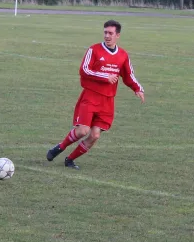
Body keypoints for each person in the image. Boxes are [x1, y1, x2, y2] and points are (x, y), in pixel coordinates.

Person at [46, 20, 145, 169]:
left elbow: (128, 74)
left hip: (107, 101)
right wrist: (104, 77)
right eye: (105, 32)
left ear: (117, 35)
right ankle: (59, 147)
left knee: (95, 135)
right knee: (83, 131)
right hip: (91, 96)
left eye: (110, 33)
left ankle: (70, 160)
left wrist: (137, 88)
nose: (107, 36)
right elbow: (84, 70)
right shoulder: (94, 50)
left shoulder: (123, 55)